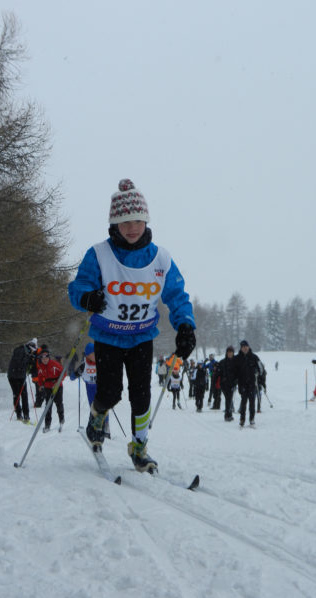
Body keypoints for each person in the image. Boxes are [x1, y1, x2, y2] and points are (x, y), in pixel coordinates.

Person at [68, 179, 196, 472]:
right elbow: (79, 286)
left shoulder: (161, 258)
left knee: (142, 397)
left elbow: (177, 295)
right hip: (108, 336)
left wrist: (186, 326)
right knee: (110, 392)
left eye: (137, 220)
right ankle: (97, 417)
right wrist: (87, 297)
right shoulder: (99, 254)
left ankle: (139, 447)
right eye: (125, 221)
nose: (132, 227)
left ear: (146, 220)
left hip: (141, 337)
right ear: (114, 223)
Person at [70, 342, 110, 439]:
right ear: (88, 354)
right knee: (94, 408)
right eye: (93, 353)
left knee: (104, 407)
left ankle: (106, 427)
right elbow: (72, 377)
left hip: (101, 387)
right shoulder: (84, 365)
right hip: (90, 388)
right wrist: (76, 373)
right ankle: (96, 428)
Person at [7, 338, 37, 423]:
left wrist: (31, 362)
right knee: (17, 395)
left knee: (24, 395)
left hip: (21, 375)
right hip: (13, 376)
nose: (33, 352)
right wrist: (29, 359)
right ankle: (19, 415)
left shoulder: (26, 352)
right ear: (30, 347)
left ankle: (26, 416)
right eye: (33, 350)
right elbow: (18, 362)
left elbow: (27, 365)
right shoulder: (20, 350)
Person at [234, 340, 263, 427]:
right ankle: (242, 419)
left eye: (246, 346)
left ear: (248, 347)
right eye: (243, 347)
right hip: (242, 384)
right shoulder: (237, 358)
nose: (245, 348)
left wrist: (257, 373)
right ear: (241, 348)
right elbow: (234, 370)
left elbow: (261, 368)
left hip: (252, 384)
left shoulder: (254, 357)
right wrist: (235, 379)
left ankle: (252, 419)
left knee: (252, 403)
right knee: (243, 402)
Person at [37, 349, 65, 432]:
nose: (44, 360)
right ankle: (47, 424)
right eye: (43, 358)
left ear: (49, 357)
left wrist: (58, 382)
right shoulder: (41, 366)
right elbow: (40, 377)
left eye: (46, 358)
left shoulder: (54, 364)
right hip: (47, 387)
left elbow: (64, 373)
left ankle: (61, 419)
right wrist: (40, 385)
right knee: (48, 405)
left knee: (59, 403)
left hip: (57, 386)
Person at [215, 345, 237, 421]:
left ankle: (228, 414)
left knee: (229, 399)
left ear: (233, 353)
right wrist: (215, 382)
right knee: (228, 398)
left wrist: (237, 381)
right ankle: (228, 415)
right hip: (224, 384)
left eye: (231, 352)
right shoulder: (222, 362)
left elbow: (238, 373)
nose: (230, 354)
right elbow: (217, 373)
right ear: (226, 353)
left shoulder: (235, 362)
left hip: (232, 383)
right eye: (228, 352)